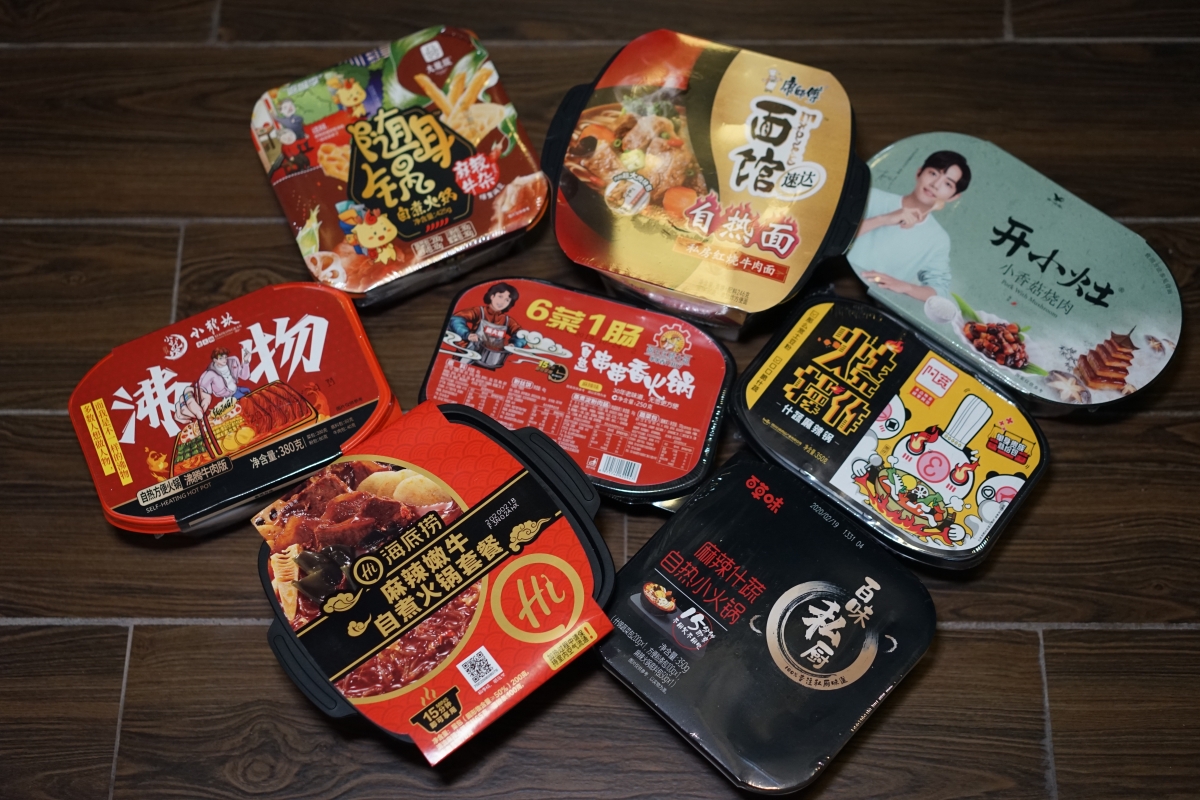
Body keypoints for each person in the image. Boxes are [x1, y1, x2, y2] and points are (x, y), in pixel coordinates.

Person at [847, 150, 972, 302]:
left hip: (872, 302)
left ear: (954, 197)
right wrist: (883, 219)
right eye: (933, 173)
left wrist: (907, 287)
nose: (935, 185)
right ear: (919, 172)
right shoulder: (871, 196)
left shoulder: (938, 240)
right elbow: (832, 233)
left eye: (948, 184)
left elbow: (939, 291)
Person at [447, 282, 527, 370]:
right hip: (468, 355)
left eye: (507, 300)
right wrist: (467, 334)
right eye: (500, 296)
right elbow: (456, 319)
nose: (502, 302)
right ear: (492, 296)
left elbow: (522, 335)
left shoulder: (507, 321)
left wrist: (515, 345)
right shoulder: (479, 311)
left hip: (491, 362)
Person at [174, 347, 252, 425]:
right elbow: (201, 390)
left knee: (251, 397)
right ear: (215, 360)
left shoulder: (233, 361)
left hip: (238, 389)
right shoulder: (210, 374)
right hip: (229, 398)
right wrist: (190, 396)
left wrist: (245, 361)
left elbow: (244, 376)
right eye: (221, 358)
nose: (224, 360)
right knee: (245, 409)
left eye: (225, 357)